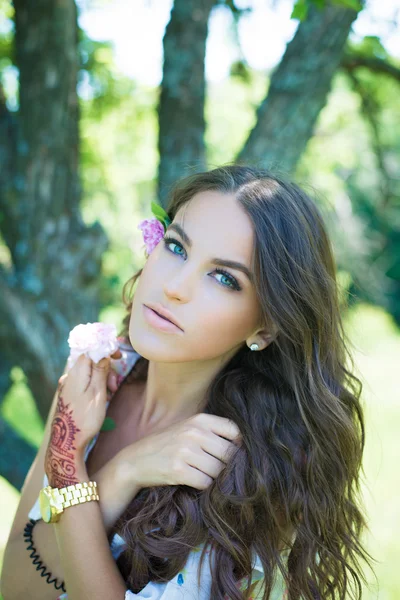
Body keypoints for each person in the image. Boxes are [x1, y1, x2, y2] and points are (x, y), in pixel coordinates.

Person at [2, 165, 376, 600]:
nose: (174, 287)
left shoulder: (243, 472)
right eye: (177, 247)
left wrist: (72, 477)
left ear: (265, 328)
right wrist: (115, 472)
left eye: (224, 278)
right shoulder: (95, 387)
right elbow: (15, 584)